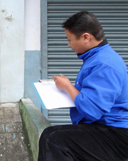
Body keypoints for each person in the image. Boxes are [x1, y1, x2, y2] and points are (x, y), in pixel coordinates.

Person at [38, 11, 128, 161]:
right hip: (105, 127)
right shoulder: (97, 57)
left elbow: (92, 111)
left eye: (70, 40)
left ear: (86, 37)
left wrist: (67, 87)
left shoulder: (104, 63)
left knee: (53, 138)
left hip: (117, 134)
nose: (68, 44)